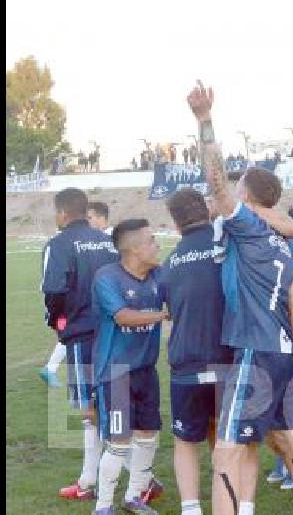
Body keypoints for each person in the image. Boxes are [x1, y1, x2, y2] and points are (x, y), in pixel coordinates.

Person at [186, 80, 293, 515]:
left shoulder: (248, 227)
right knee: (286, 438)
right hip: (280, 352)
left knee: (225, 450)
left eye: (238, 188)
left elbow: (214, 183)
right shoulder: (283, 242)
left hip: (255, 350)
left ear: (247, 197)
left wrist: (206, 122)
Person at [39, 188, 119, 502]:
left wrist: (58, 323)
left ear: (62, 213)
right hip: (115, 333)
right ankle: (115, 479)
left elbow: (54, 291)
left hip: (81, 334)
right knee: (113, 404)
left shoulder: (58, 244)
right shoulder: (107, 241)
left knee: (91, 410)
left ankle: (99, 481)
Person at [159, 188, 234, 515]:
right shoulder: (228, 245)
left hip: (186, 361)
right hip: (228, 359)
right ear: (206, 210)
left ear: (175, 223)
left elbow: (172, 311)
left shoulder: (170, 262)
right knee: (225, 440)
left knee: (186, 441)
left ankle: (192, 509)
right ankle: (227, 505)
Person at [91, 219, 168, 515]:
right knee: (120, 440)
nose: (157, 245)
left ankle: (134, 497)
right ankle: (103, 505)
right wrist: (162, 315)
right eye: (151, 241)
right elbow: (122, 317)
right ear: (134, 249)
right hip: (117, 371)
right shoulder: (107, 277)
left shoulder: (159, 275)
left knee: (149, 434)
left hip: (146, 370)